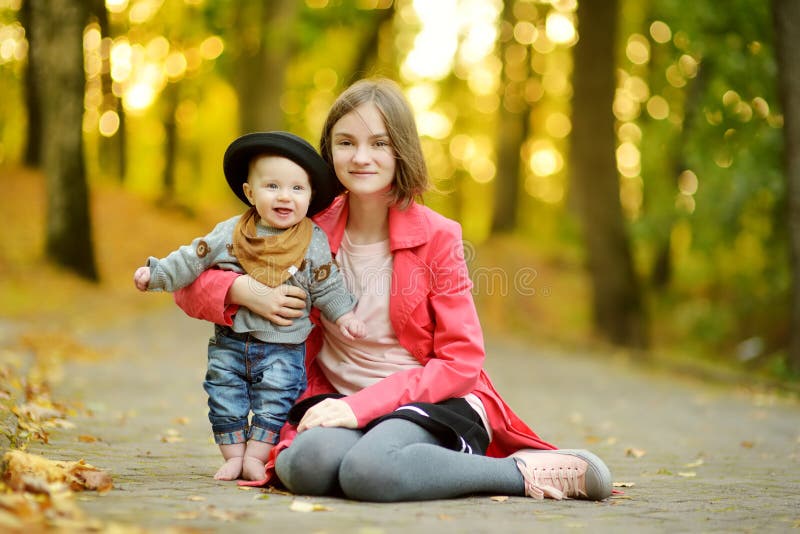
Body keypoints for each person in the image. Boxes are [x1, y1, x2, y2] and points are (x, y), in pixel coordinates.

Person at [174, 78, 613, 501]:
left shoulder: (438, 236)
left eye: (378, 143)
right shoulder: (306, 229)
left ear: (401, 149)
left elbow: (462, 362)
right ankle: (395, 461)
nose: (361, 156)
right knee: (301, 466)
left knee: (372, 471)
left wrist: (362, 408)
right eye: (346, 143)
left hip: (432, 399)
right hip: (336, 399)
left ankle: (522, 472)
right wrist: (242, 291)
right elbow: (188, 283)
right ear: (329, 151)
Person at [134, 131, 366, 481]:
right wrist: (157, 274)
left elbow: (326, 282)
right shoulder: (230, 233)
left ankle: (256, 456)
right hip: (231, 340)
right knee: (223, 395)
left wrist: (344, 315)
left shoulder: (312, 241)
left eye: (296, 189)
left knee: (275, 401)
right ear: (250, 193)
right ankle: (232, 454)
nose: (285, 196)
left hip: (284, 348)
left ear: (310, 196)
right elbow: (192, 259)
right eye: (272, 186)